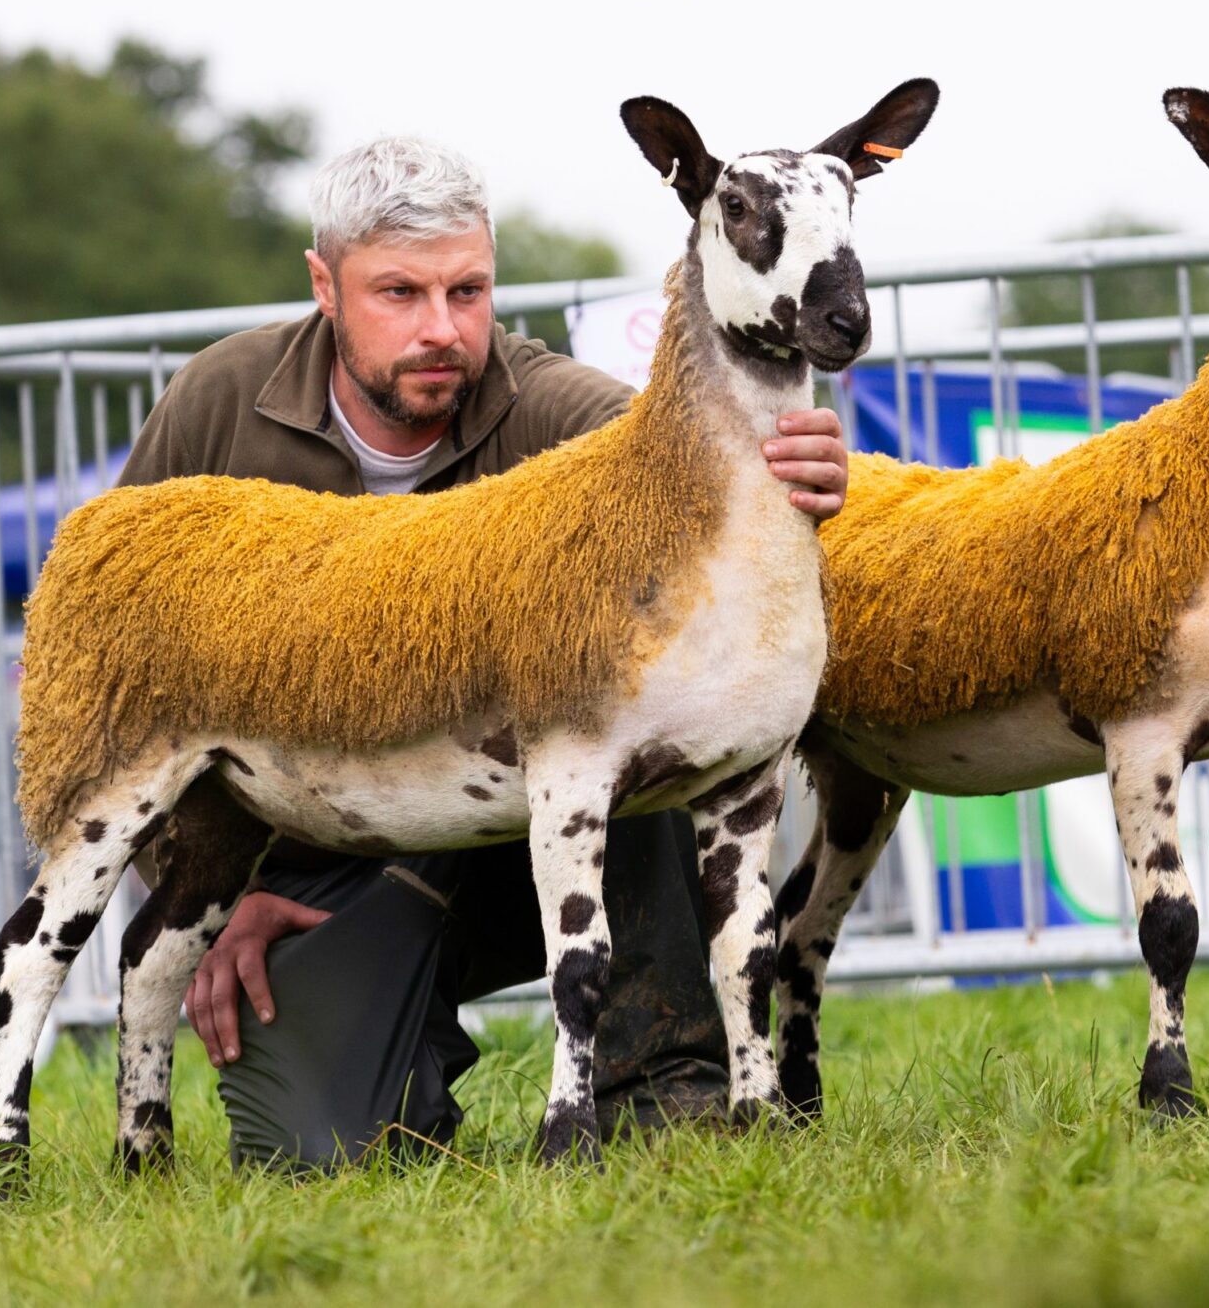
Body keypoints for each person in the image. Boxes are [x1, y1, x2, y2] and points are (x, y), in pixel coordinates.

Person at [116, 136, 851, 1164]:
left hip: (505, 836)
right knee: (325, 1150)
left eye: (468, 291)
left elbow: (683, 448)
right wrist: (202, 891)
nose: (441, 328)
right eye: (399, 293)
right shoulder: (214, 406)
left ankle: (668, 1079)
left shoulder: (556, 409)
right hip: (304, 867)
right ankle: (389, 1044)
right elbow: (125, 671)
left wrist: (801, 462)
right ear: (324, 285)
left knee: (627, 706)